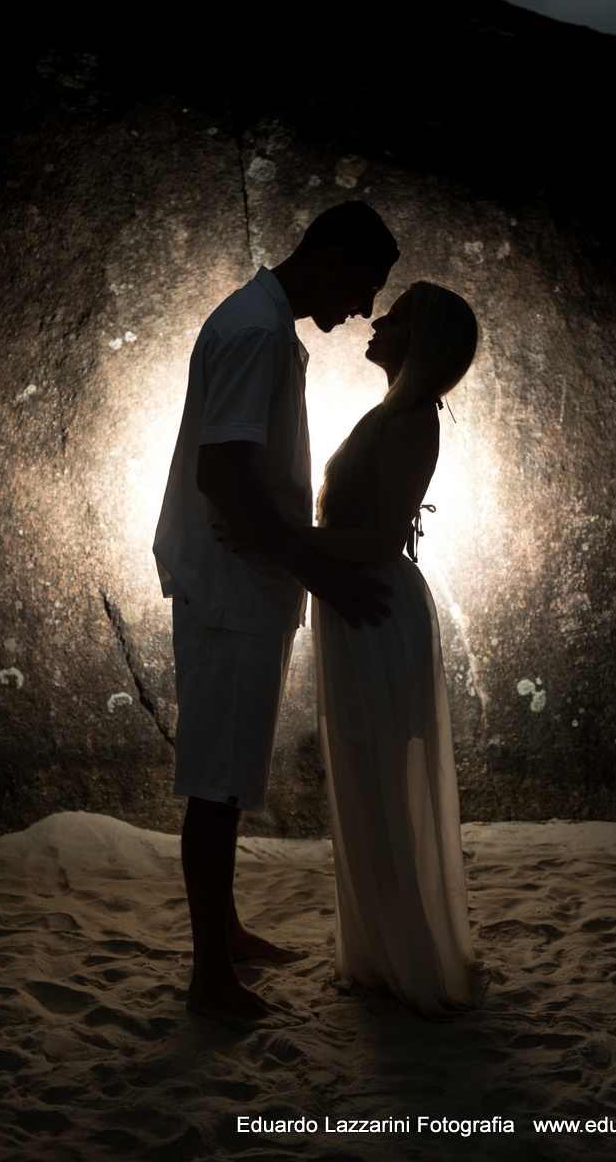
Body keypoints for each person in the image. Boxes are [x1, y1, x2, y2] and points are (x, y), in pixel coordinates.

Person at [153, 201, 400, 1031]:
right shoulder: (257, 332)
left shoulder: (260, 323)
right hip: (234, 590)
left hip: (240, 585)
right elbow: (223, 478)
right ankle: (208, 976)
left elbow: (235, 473)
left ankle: (222, 935)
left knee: (224, 775)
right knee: (218, 787)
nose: (363, 306)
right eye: (363, 283)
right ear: (328, 258)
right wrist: (317, 571)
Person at [224, 280, 479, 1017]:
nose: (375, 321)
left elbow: (377, 538)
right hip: (356, 604)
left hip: (374, 607)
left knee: (379, 779)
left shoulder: (408, 422)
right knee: (366, 780)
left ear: (417, 341)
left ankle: (405, 960)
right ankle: (387, 954)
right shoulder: (392, 414)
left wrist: (270, 537)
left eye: (393, 318)